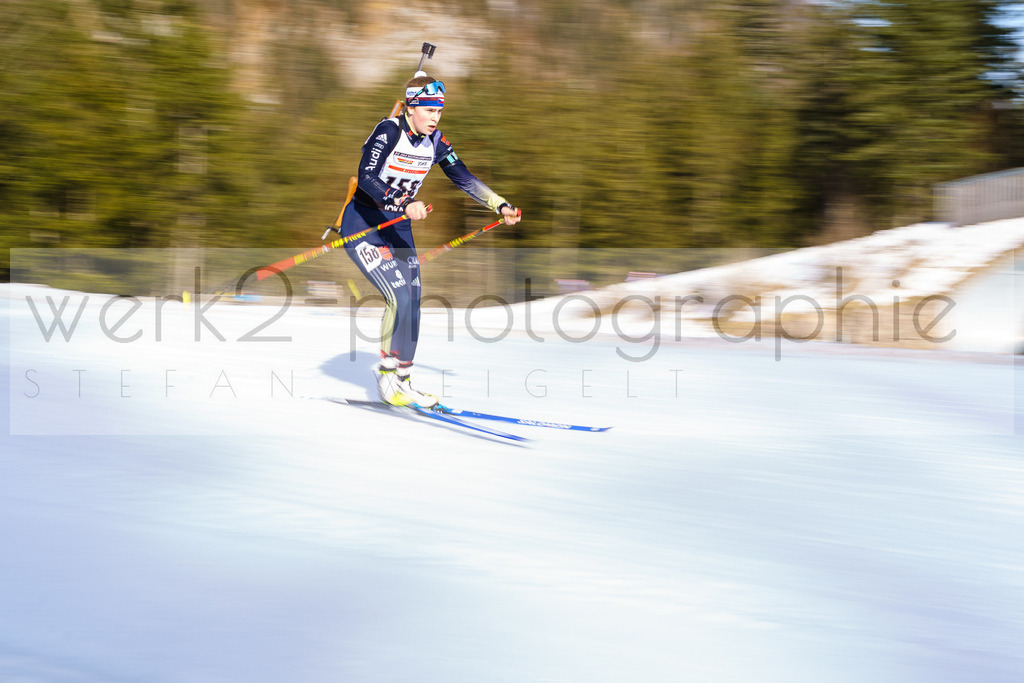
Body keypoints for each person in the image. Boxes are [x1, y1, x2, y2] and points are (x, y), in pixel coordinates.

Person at [340, 73, 521, 407]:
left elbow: (464, 178)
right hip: (363, 223)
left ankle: (403, 380)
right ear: (411, 107)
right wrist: (403, 201)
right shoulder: (389, 130)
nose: (435, 117)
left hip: (397, 227)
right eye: (429, 110)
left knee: (414, 298)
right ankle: (386, 376)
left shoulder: (436, 141)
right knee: (399, 296)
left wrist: (500, 204)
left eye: (440, 110)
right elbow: (366, 177)